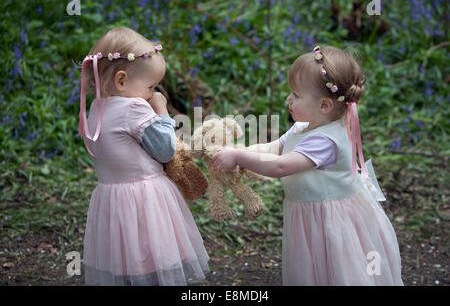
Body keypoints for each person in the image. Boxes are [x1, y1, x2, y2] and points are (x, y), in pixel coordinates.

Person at [212, 45, 404, 286]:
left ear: (324, 105)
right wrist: (238, 151)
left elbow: (281, 166)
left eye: (296, 95)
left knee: (337, 269)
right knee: (313, 270)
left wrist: (239, 158)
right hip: (310, 216)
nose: (288, 99)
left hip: (330, 222)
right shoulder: (304, 126)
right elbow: (276, 148)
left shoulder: (325, 141)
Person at [78, 27, 209, 285]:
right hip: (145, 197)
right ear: (122, 81)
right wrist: (161, 112)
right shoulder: (134, 107)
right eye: (151, 86)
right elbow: (164, 149)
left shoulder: (96, 106)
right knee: (154, 256)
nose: (153, 92)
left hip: (111, 196)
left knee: (127, 256)